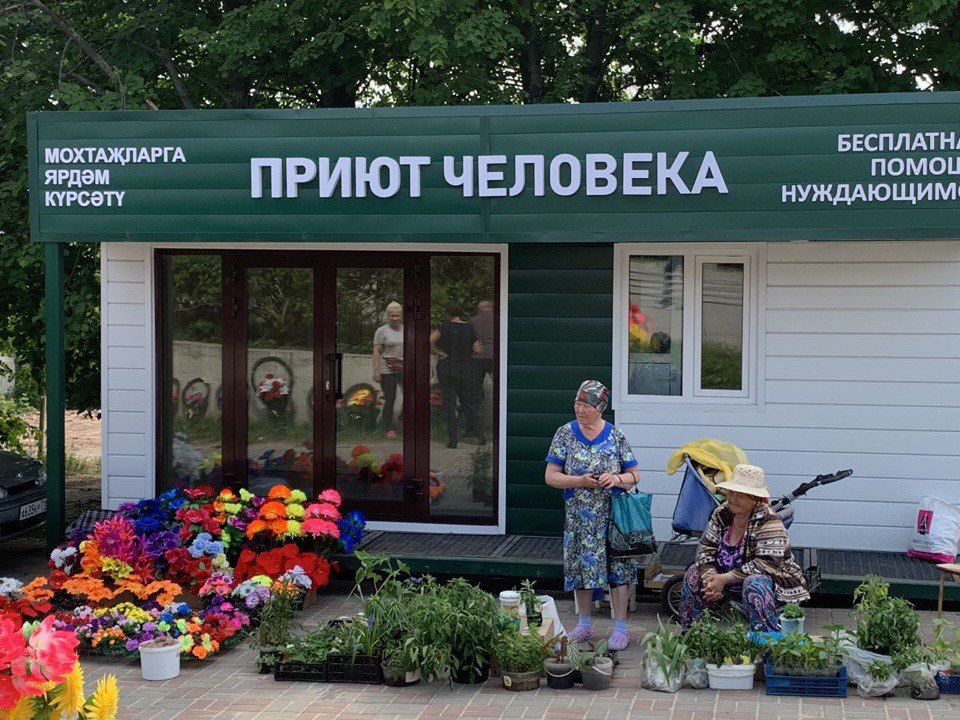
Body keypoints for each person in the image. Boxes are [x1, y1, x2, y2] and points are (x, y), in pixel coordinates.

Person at [544, 380, 640, 651]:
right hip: (580, 518)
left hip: (613, 518)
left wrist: (616, 478)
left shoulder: (615, 435)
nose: (580, 409)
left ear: (600, 408)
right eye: (577, 403)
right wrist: (579, 481)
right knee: (580, 568)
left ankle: (620, 627)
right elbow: (551, 477)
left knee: (618, 569)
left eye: (586, 404)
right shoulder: (564, 434)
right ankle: (584, 625)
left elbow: (634, 476)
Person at [679, 464, 810, 632]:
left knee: (754, 584)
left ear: (754, 498)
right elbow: (706, 549)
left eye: (740, 495)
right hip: (726, 582)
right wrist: (711, 579)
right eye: (731, 493)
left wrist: (723, 579)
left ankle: (766, 643)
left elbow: (766, 564)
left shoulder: (769, 521)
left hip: (773, 583)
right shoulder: (721, 513)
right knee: (693, 574)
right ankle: (693, 637)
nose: (733, 499)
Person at [431, 304, 482, 449]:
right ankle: (477, 434)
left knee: (449, 403)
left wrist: (438, 352)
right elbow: (477, 349)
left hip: (447, 368)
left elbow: (430, 341)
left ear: (448, 313)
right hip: (465, 369)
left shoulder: (443, 327)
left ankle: (453, 438)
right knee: (468, 402)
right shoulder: (469, 328)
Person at [373, 301, 403, 437]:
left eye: (397, 315)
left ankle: (403, 419)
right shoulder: (381, 331)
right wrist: (377, 370)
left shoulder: (405, 330)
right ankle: (388, 427)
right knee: (390, 398)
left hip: (403, 368)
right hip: (387, 369)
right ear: (388, 316)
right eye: (392, 316)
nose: (395, 318)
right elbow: (377, 351)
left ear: (401, 315)